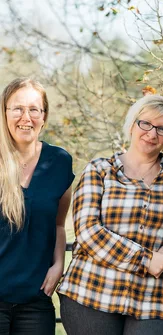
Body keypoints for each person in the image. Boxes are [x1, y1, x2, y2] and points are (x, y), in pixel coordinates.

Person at [58, 95, 163, 335]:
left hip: (151, 297)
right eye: (145, 124)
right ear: (132, 124)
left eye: (162, 129)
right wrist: (146, 260)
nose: (152, 133)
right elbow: (88, 232)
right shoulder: (99, 169)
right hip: (91, 290)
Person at [0, 77, 74, 335]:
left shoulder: (60, 162)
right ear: (4, 112)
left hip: (36, 300)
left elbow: (58, 224)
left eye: (34, 109)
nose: (26, 117)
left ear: (44, 116)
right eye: (17, 108)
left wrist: (58, 266)